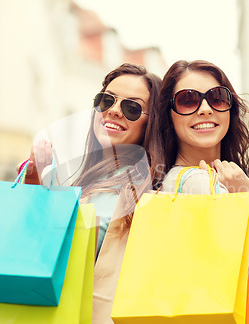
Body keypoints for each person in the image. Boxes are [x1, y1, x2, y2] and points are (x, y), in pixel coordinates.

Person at [142, 60, 249, 324]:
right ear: (168, 115)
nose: (205, 108)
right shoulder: (196, 182)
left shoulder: (185, 181)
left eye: (217, 98)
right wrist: (243, 201)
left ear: (230, 110)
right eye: (187, 100)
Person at [19, 63, 162, 256]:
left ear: (151, 123)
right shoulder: (77, 175)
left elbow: (59, 251)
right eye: (106, 100)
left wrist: (34, 185)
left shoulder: (133, 188)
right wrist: (34, 176)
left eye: (132, 107)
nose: (114, 110)